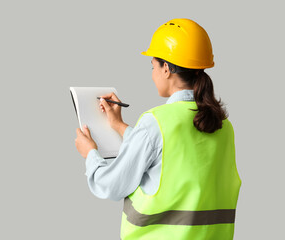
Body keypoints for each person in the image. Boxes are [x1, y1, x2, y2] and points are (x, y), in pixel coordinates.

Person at [75, 18, 241, 240]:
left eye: (152, 66)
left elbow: (110, 185)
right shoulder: (223, 125)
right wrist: (118, 125)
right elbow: (169, 155)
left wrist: (90, 154)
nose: (152, 73)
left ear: (166, 69)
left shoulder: (155, 122)